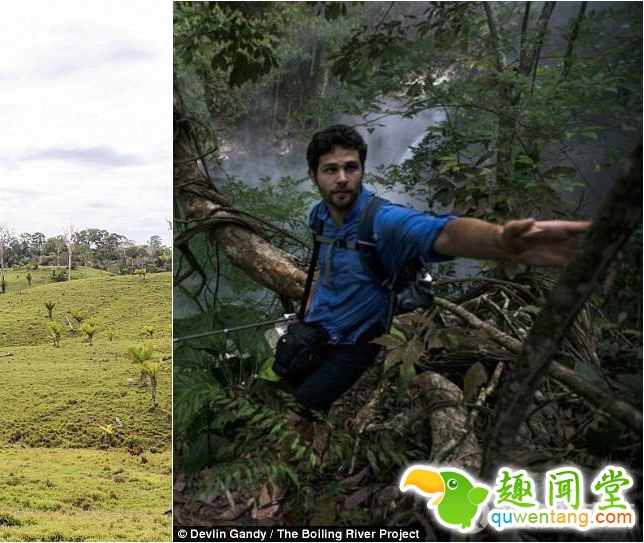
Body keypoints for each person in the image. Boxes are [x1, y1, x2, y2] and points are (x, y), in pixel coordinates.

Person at [251, 125, 591, 520]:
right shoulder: (319, 217)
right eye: (330, 170)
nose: (342, 178)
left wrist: (501, 241)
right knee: (298, 399)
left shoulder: (384, 222)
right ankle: (312, 446)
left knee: (296, 412)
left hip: (356, 342)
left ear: (362, 169)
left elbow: (443, 232)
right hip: (315, 331)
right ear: (314, 176)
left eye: (351, 167)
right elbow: (325, 270)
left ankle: (274, 487)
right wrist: (308, 310)